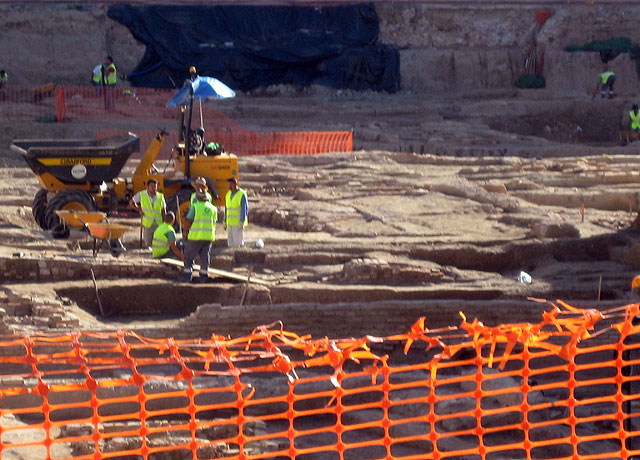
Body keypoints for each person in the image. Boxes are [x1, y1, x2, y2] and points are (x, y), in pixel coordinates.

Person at [179, 191, 218, 283]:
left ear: (198, 199)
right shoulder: (213, 208)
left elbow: (189, 220)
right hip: (209, 236)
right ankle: (203, 276)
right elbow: (214, 221)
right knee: (205, 256)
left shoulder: (195, 207)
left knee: (188, 257)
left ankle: (187, 277)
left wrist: (185, 231)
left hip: (196, 236)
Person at [129, 178, 166, 249]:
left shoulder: (160, 197)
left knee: (158, 240)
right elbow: (131, 203)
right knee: (148, 241)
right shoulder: (142, 195)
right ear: (148, 187)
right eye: (152, 186)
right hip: (148, 223)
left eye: (155, 186)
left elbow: (163, 210)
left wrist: (164, 222)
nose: (153, 188)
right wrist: (138, 209)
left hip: (158, 223)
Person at [224, 177, 248, 247]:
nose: (229, 186)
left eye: (230, 184)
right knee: (230, 244)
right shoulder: (228, 194)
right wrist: (224, 221)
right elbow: (226, 209)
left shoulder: (242, 194)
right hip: (229, 223)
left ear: (235, 184)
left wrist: (241, 222)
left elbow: (244, 209)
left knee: (238, 244)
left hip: (237, 224)